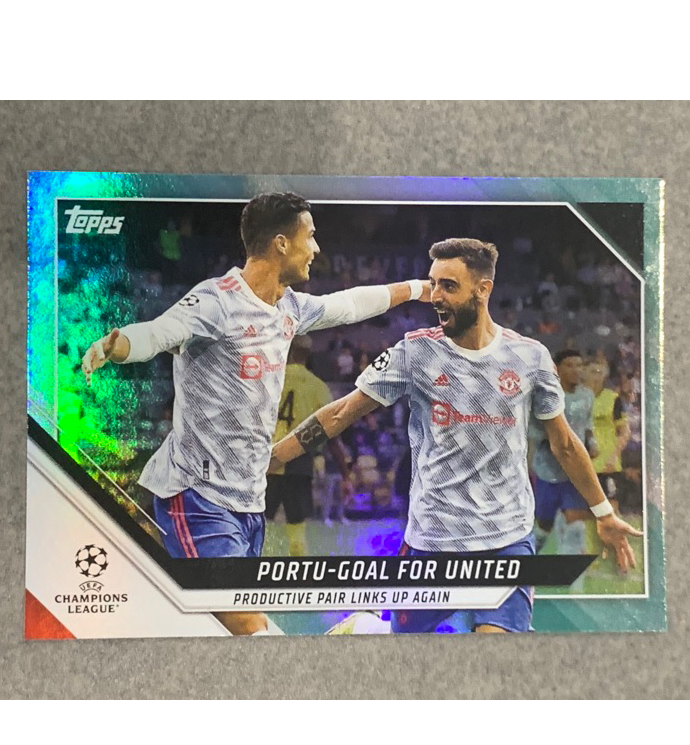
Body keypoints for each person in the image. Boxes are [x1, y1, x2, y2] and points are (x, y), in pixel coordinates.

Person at [81, 192, 430, 635]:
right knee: (245, 623)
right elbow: (160, 332)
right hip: (197, 497)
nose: (317, 247)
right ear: (281, 243)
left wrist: (418, 289)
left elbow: (350, 304)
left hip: (250, 503)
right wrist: (117, 346)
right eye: (310, 236)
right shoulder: (216, 301)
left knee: (234, 626)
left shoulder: (289, 308)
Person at [268, 237, 641, 634]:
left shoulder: (530, 357)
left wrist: (604, 513)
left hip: (506, 540)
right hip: (432, 541)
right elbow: (341, 412)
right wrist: (272, 459)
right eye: (433, 285)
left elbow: (564, 443)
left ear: (483, 289)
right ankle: (364, 628)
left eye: (449, 286)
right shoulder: (415, 352)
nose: (436, 297)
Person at [265, 335, 351, 555]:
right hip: (298, 461)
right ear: (308, 355)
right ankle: (299, 572)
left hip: (267, 460)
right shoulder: (318, 387)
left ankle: (248, 570)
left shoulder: (270, 378)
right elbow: (332, 434)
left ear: (288, 351)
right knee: (297, 529)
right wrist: (345, 474)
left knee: (257, 525)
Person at [529, 350, 597, 589]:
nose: (576, 370)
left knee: (575, 524)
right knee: (543, 526)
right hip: (548, 472)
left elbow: (587, 423)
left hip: (575, 472)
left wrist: (592, 442)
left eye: (580, 365)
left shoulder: (587, 395)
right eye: (570, 365)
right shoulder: (547, 396)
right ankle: (524, 566)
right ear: (557, 369)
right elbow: (534, 433)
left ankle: (574, 585)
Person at [585, 360, 631, 516]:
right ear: (584, 374)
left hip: (607, 464)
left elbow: (625, 432)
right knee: (584, 513)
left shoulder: (613, 399)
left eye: (600, 373)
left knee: (611, 508)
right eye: (592, 372)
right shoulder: (577, 399)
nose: (596, 377)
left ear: (605, 376)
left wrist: (614, 456)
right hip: (583, 464)